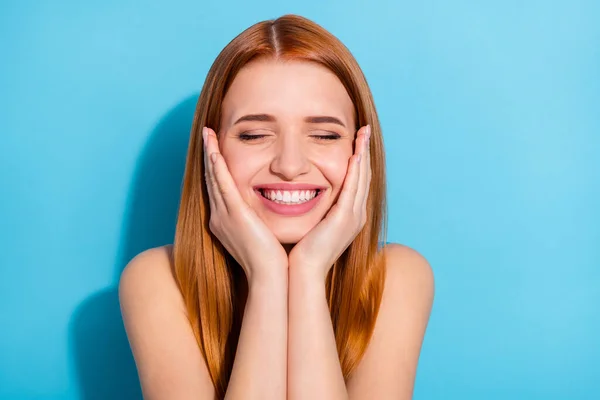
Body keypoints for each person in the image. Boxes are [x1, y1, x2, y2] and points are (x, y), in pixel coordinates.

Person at [118, 14, 434, 400]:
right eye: (253, 134)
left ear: (360, 150)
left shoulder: (398, 278)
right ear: (212, 150)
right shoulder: (156, 280)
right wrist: (267, 274)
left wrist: (308, 271)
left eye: (323, 134)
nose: (289, 164)